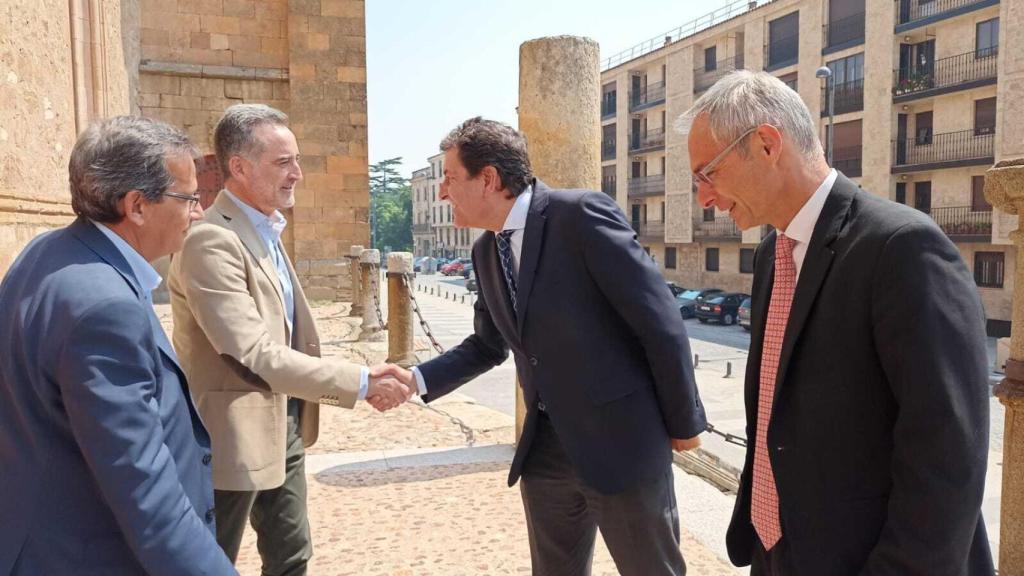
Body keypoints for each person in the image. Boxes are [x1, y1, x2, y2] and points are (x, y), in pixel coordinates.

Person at [680, 70, 994, 575]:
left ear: (765, 144)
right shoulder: (769, 256)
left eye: (707, 174)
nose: (704, 198)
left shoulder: (902, 247)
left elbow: (948, 456)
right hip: (775, 552)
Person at [374, 117, 706, 576]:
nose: (443, 192)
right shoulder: (485, 252)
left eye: (450, 179)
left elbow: (661, 321)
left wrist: (684, 422)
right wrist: (416, 379)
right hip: (545, 449)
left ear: (488, 178)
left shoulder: (582, 216)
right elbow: (487, 345)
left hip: (621, 444)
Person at [167, 104, 410, 575]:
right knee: (208, 561)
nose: (297, 173)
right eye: (283, 162)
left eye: (296, 160)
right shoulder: (211, 240)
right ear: (238, 167)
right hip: (229, 437)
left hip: (287, 422)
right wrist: (361, 381)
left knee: (292, 556)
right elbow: (253, 351)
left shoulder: (266, 228)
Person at [0, 116, 237, 575]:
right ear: (137, 206)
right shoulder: (107, 308)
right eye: (188, 198)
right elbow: (144, 489)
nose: (199, 212)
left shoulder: (46, 252)